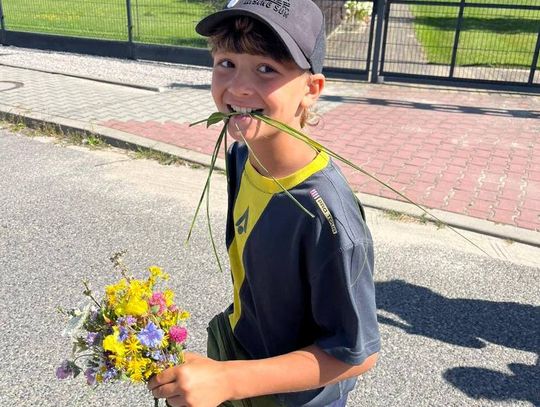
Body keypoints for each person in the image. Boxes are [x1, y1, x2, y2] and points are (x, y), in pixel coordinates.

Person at [148, 0, 380, 405]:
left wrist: (228, 381)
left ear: (311, 89)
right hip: (243, 353)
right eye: (226, 63)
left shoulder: (325, 216)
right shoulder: (242, 155)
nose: (238, 87)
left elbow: (356, 353)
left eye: (266, 69)